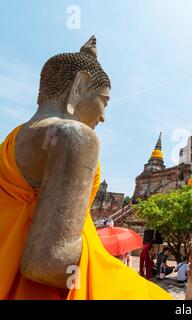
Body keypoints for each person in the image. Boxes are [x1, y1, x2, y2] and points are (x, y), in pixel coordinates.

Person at [0, 36, 171, 300]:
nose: (103, 115)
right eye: (104, 100)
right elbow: (47, 263)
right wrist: (111, 266)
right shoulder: (74, 135)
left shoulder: (9, 142)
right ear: (80, 86)